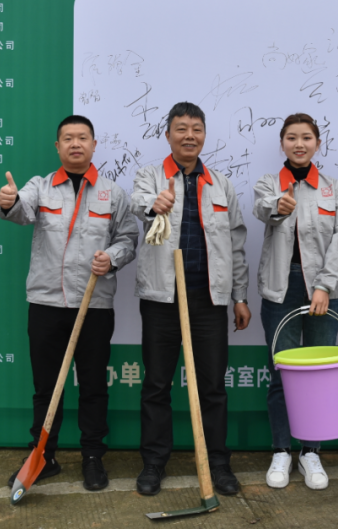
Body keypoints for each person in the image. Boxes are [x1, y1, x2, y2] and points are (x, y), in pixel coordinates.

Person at [0, 115, 138, 492]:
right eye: (68, 138)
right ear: (57, 147)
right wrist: (9, 202)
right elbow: (20, 211)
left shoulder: (113, 193)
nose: (76, 144)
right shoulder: (40, 187)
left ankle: (92, 457)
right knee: (46, 387)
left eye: (82, 138)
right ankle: (43, 456)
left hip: (94, 306)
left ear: (94, 145)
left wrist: (112, 257)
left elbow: (128, 238)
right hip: (46, 304)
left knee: (93, 385)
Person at [131, 101, 251, 497]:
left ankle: (218, 463)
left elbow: (235, 244)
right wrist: (155, 204)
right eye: (181, 129)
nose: (189, 136)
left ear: (204, 135)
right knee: (156, 384)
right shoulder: (151, 176)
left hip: (209, 300)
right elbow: (137, 203)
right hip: (162, 299)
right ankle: (153, 463)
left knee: (212, 386)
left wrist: (239, 296)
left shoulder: (220, 184)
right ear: (168, 135)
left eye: (196, 129)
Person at [253, 113, 338, 490]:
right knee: (282, 372)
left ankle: (311, 452)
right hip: (281, 288)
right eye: (292, 138)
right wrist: (279, 206)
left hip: (324, 290)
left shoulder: (333, 188)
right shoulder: (269, 183)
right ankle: (281, 449)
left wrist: (324, 286)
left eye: (306, 138)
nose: (299, 144)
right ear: (282, 143)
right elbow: (263, 208)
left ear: (317, 144)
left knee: (318, 377)